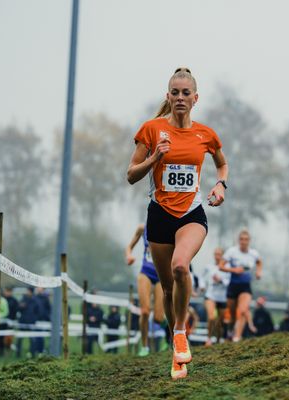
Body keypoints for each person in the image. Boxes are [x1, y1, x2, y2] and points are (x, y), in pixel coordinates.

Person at [127, 67, 228, 380]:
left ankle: (181, 332)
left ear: (195, 98)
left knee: (180, 267)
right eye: (175, 92)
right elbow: (131, 175)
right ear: (168, 96)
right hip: (159, 216)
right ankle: (176, 347)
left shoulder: (206, 134)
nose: (180, 98)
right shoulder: (151, 129)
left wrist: (220, 185)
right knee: (168, 291)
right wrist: (154, 158)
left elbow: (222, 165)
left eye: (186, 93)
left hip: (191, 215)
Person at [125, 223, 166, 357]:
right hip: (146, 272)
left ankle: (167, 330)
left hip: (162, 274)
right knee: (145, 311)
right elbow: (129, 247)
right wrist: (129, 256)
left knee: (159, 318)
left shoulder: (170, 225)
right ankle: (144, 346)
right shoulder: (143, 228)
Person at [220, 229, 262, 343]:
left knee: (243, 310)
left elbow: (259, 262)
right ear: (239, 240)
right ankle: (230, 330)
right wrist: (233, 269)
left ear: (249, 241)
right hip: (233, 286)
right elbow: (221, 266)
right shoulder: (231, 252)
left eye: (246, 239)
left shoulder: (253, 253)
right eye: (242, 239)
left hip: (245, 286)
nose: (244, 242)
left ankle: (237, 337)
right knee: (233, 315)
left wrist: (258, 272)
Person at [200, 247, 230, 346]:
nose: (217, 256)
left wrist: (220, 279)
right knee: (211, 317)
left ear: (223, 256)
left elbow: (228, 282)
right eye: (215, 254)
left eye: (219, 254)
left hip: (222, 297)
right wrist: (202, 286)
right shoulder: (209, 267)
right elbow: (202, 278)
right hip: (210, 295)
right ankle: (208, 339)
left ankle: (217, 341)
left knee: (219, 322)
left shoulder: (227, 267)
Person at [16, 287, 41, 358]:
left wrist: (34, 319)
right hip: (22, 322)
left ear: (31, 292)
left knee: (32, 339)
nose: (27, 292)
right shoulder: (23, 299)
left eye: (28, 291)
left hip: (31, 323)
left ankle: (32, 353)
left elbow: (38, 311)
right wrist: (21, 306)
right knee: (20, 338)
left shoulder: (35, 300)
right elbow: (18, 308)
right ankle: (18, 353)